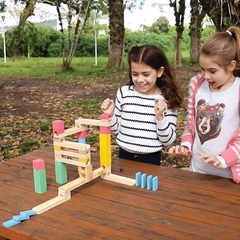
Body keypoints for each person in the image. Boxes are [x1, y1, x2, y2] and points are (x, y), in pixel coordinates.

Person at [168, 26, 240, 183]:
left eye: (212, 71)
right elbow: (190, 125)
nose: (206, 76)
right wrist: (185, 147)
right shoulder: (197, 85)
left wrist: (223, 159)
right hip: (197, 172)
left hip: (227, 178)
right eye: (202, 69)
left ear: (231, 66)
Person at [101, 44, 182, 165]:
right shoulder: (124, 93)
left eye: (146, 74)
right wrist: (110, 115)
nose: (140, 79)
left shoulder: (167, 99)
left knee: (147, 185)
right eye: (135, 74)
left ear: (159, 72)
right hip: (124, 155)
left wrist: (160, 117)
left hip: (151, 159)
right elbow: (117, 131)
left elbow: (168, 140)